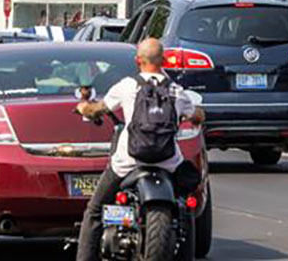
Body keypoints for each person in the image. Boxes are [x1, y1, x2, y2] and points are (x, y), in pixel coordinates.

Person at [74, 38, 205, 261]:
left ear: (138, 61)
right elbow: (197, 116)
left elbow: (97, 110)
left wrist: (83, 107)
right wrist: (195, 114)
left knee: (95, 210)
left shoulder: (127, 86)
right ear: (164, 60)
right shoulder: (176, 91)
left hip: (128, 161)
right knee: (185, 207)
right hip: (168, 162)